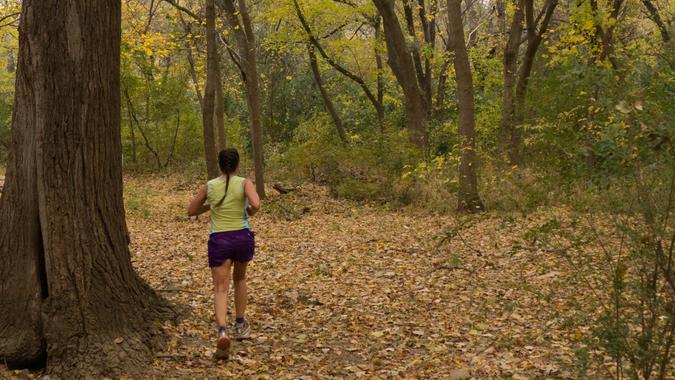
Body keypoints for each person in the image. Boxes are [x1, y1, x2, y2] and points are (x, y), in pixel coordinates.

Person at [187, 148, 260, 360]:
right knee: (240, 279)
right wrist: (249, 211)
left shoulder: (210, 186)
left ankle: (222, 331)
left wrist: (211, 206)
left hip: (219, 240)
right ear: (237, 164)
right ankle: (240, 324)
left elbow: (191, 210)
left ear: (220, 165)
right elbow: (256, 204)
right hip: (242, 237)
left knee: (220, 288)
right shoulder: (245, 182)